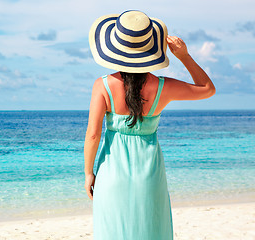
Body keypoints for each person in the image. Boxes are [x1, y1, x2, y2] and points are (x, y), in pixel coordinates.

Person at [84, 10, 215, 239]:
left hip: (111, 175)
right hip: (149, 176)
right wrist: (184, 56)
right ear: (149, 49)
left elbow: (93, 135)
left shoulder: (102, 86)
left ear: (115, 49)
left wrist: (88, 173)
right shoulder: (165, 87)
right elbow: (207, 89)